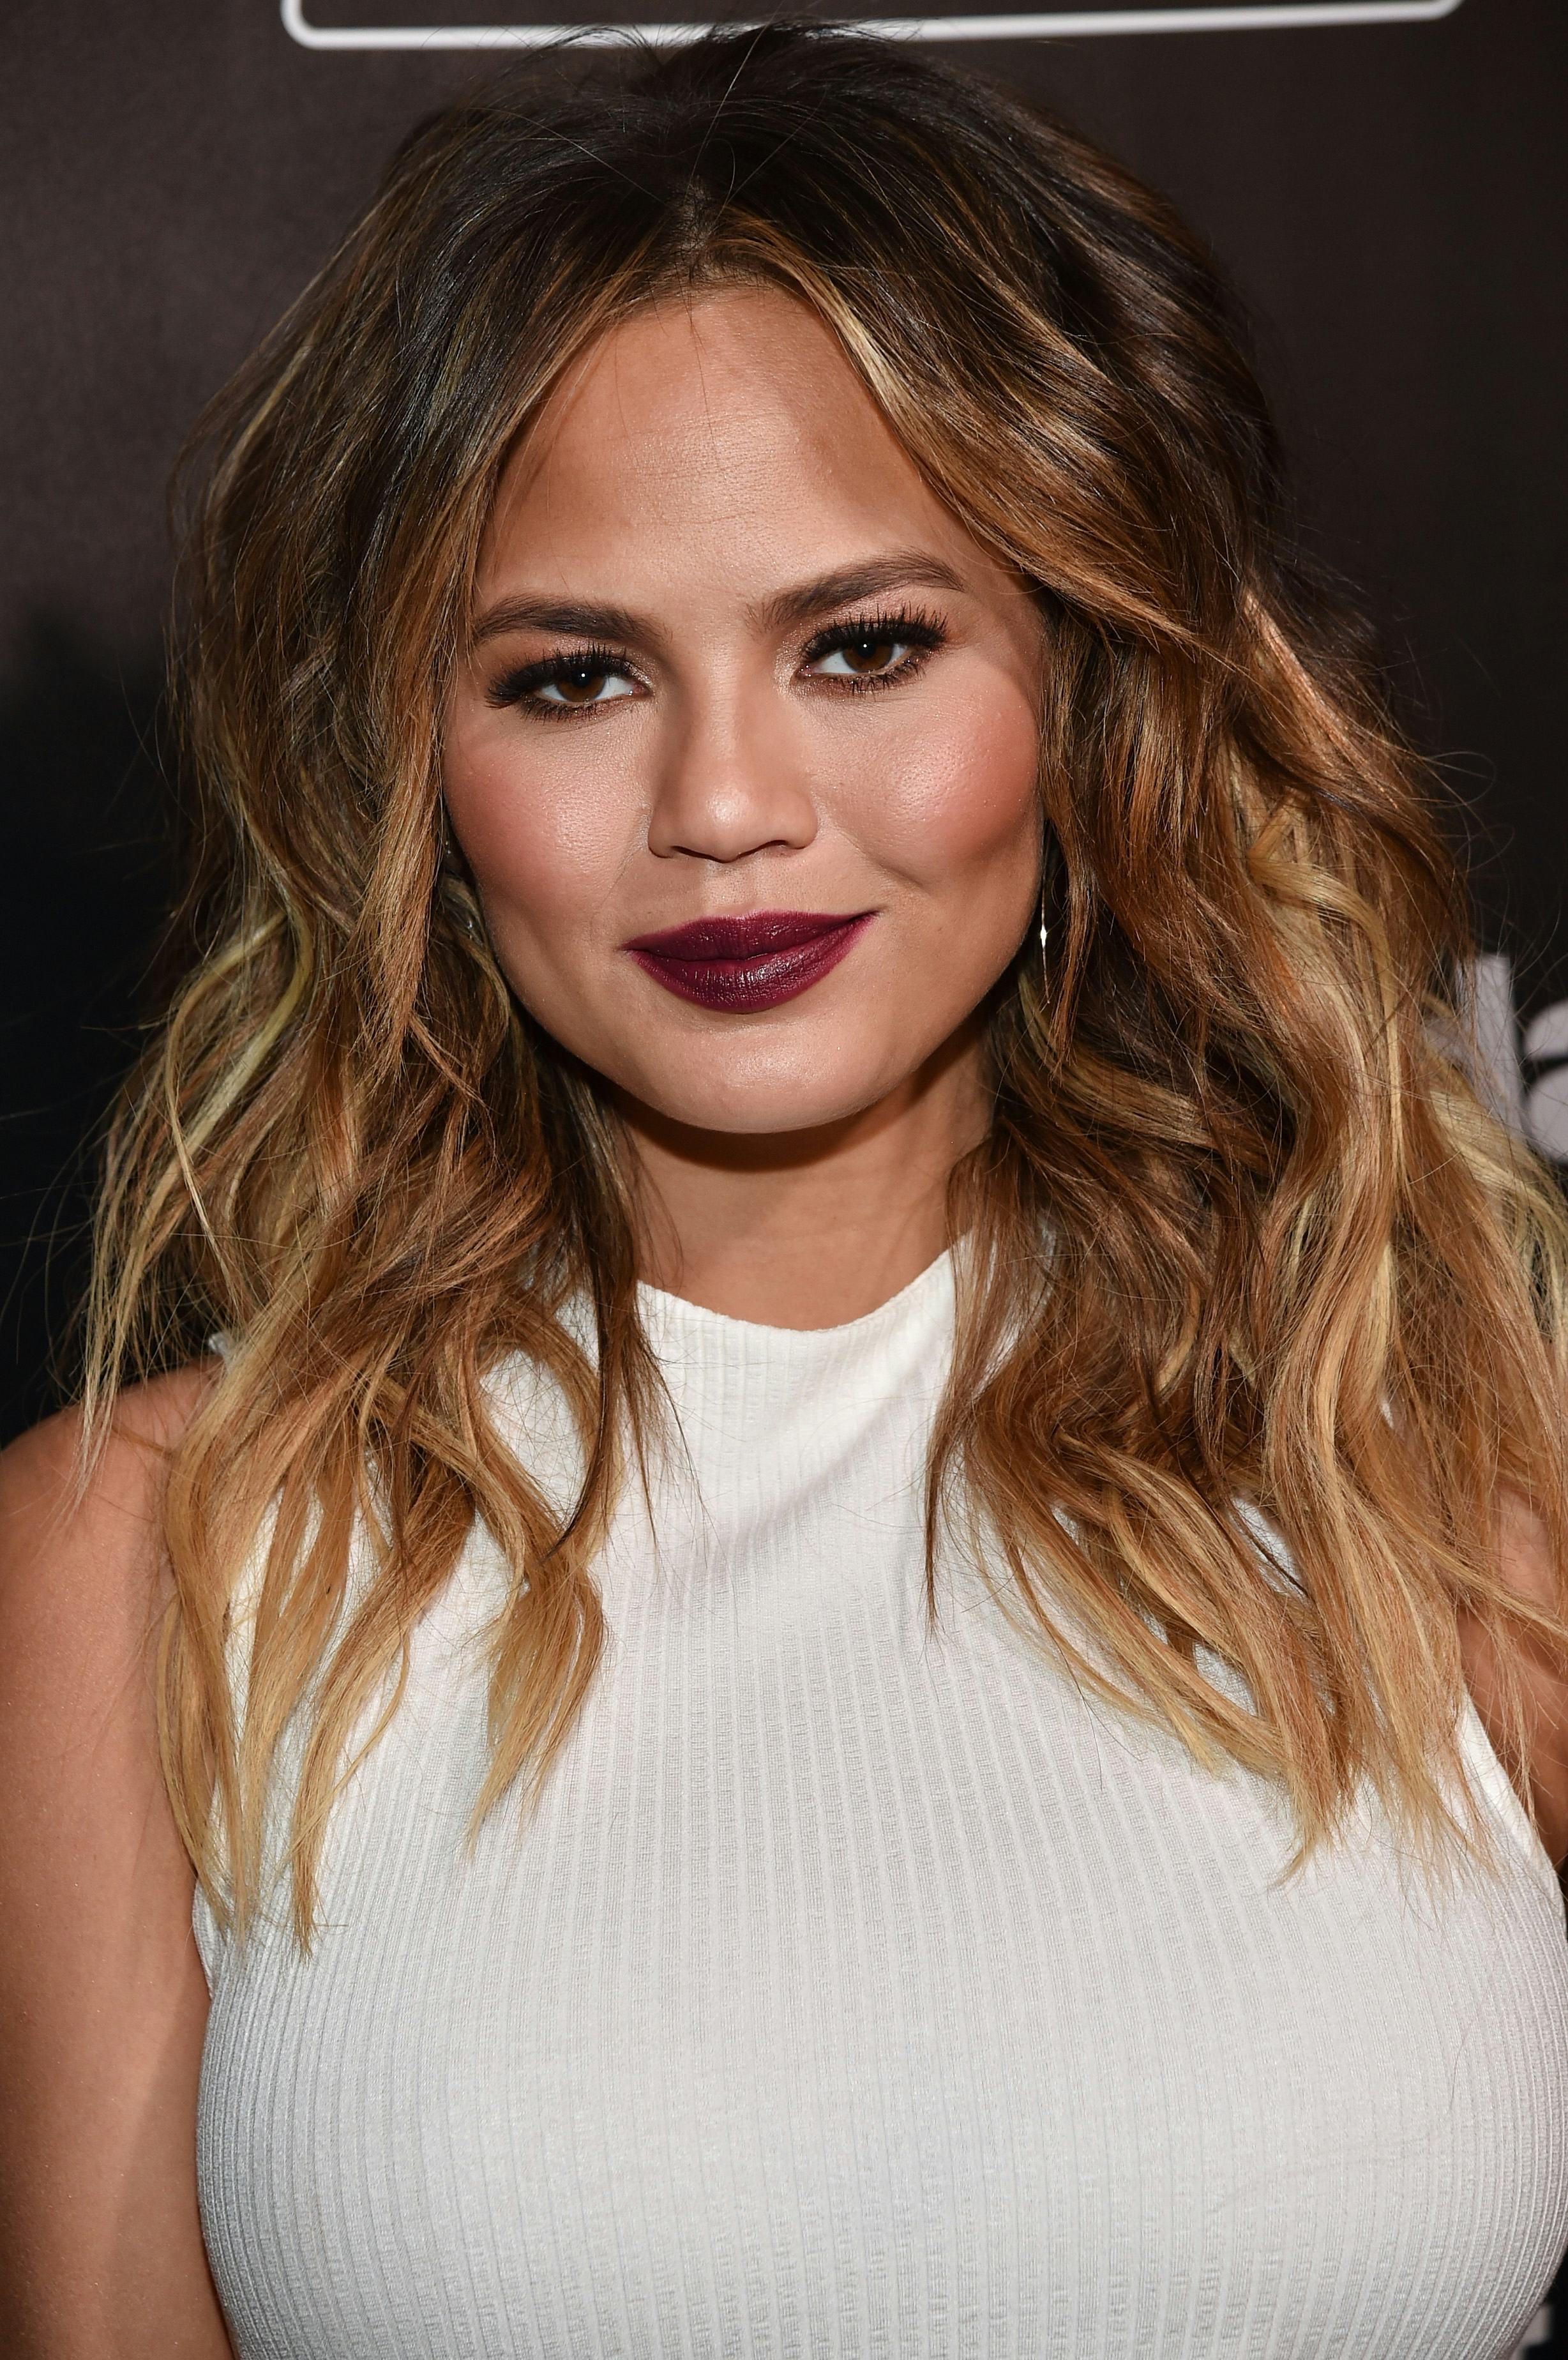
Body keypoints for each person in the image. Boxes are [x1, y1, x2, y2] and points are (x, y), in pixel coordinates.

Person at [3, 23, 1567, 2357]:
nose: (726, 805)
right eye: (572, 679)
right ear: (411, 769)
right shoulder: (146, 1563)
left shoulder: (1444, 1469)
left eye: (863, 645)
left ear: (1086, 687)